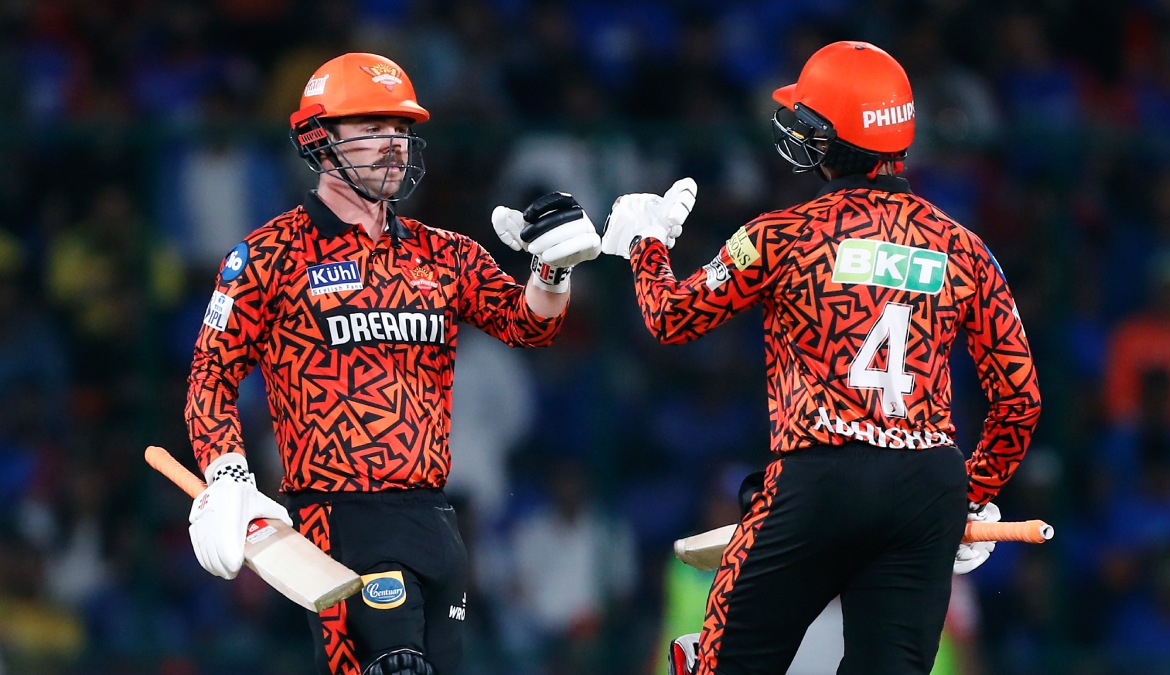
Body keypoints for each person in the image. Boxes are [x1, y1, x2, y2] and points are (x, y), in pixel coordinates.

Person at [600, 41, 1042, 674]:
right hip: (927, 488)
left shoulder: (783, 235)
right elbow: (1020, 400)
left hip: (819, 483)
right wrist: (969, 496)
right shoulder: (965, 249)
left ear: (829, 141)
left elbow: (669, 317)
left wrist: (646, 243)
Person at [182, 52, 601, 675]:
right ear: (319, 139)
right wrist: (229, 475)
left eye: (401, 129)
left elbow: (527, 325)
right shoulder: (270, 256)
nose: (394, 145)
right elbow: (210, 376)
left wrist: (552, 271)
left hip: (435, 519)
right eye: (372, 128)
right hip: (337, 520)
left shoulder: (443, 252)